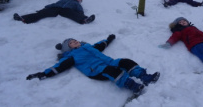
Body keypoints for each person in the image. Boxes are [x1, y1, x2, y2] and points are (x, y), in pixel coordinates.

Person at [26, 35, 160, 95]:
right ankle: (132, 86)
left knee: (125, 61)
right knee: (111, 71)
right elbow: (58, 67)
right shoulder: (71, 56)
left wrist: (108, 39)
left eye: (75, 40)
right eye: (72, 42)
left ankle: (145, 77)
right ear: (68, 48)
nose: (75, 41)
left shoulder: (88, 47)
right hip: (96, 71)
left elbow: (100, 45)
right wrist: (43, 74)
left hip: (109, 62)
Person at [13, 0, 95, 24]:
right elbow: (56, 3)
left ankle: (85, 19)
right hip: (56, 8)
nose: (79, 0)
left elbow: (79, 10)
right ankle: (23, 18)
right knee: (42, 14)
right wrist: (47, 7)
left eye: (80, 0)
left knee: (72, 14)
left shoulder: (77, 4)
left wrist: (81, 14)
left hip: (66, 10)